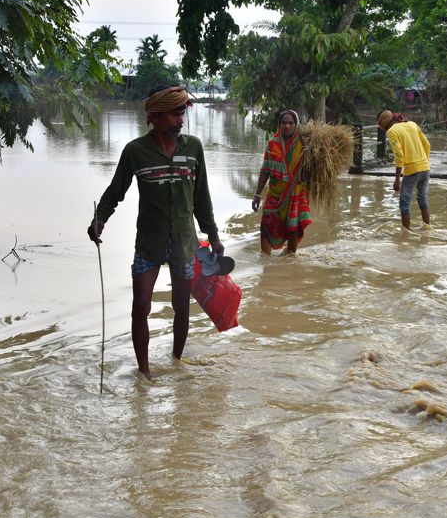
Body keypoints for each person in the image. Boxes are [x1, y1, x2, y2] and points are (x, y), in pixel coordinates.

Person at [87, 85, 223, 379]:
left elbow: (202, 199)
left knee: (181, 307)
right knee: (140, 306)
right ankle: (144, 373)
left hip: (184, 241)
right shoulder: (136, 152)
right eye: (174, 113)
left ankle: (176, 361)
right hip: (149, 241)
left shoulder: (194, 148)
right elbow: (115, 191)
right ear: (155, 117)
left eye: (182, 112)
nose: (180, 119)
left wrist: (213, 236)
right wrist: (100, 219)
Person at [251, 109, 312, 254]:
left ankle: (290, 262)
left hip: (295, 193)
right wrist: (257, 194)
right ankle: (265, 263)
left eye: (291, 123)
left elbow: (313, 169)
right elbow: (265, 170)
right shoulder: (272, 143)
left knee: (293, 229)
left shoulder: (304, 144)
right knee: (265, 226)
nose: (287, 126)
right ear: (279, 124)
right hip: (275, 192)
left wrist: (309, 147)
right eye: (284, 123)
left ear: (295, 124)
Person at [377, 110, 431, 230]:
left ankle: (405, 235)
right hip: (425, 167)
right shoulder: (412, 124)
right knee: (422, 198)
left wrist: (397, 179)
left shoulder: (392, 131)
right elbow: (427, 145)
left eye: (383, 128)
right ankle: (428, 228)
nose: (385, 131)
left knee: (404, 203)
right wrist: (423, 162)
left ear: (385, 125)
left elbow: (399, 156)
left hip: (412, 170)